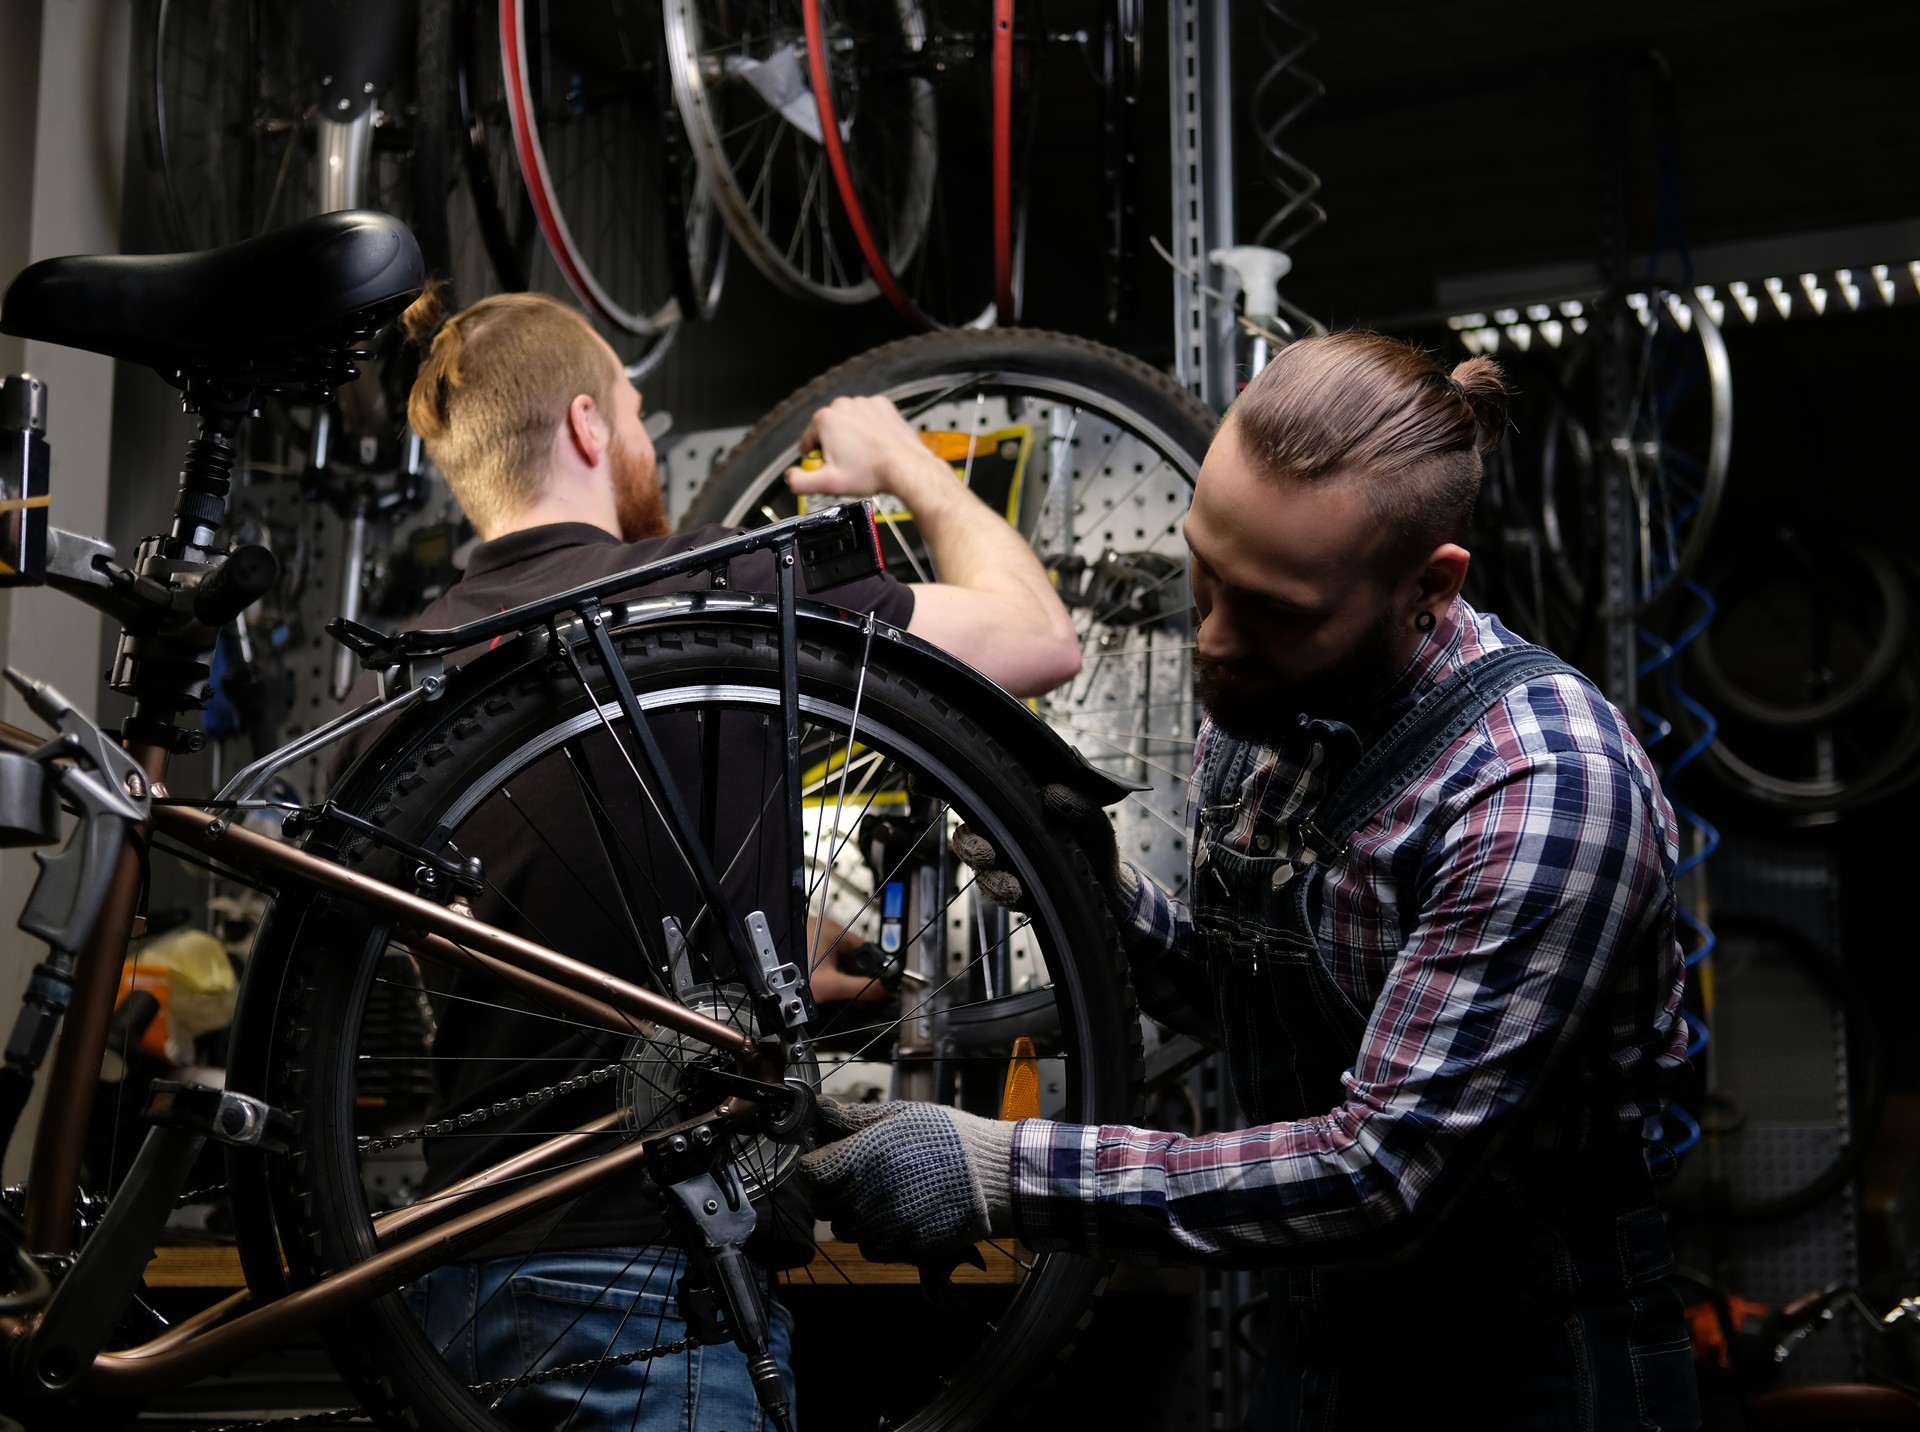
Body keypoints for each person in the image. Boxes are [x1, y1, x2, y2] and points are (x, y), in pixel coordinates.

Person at [799, 331, 1701, 1430]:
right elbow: (1253, 1008)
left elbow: (1380, 1169)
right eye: (1205, 573)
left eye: (1274, 610)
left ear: (1430, 585)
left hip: (1531, 1361)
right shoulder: (1279, 710)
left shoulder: (1542, 791)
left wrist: (1004, 1172)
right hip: (1323, 1331)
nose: (1217, 644)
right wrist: (1102, 899)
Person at [363, 287, 1082, 1429]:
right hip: (652, 1288)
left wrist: (767, 943)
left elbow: (521, 930)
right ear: (591, 427)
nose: (644, 441)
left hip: (446, 1288)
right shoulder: (715, 588)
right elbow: (1040, 635)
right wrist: (908, 462)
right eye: (640, 415)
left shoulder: (398, 684)